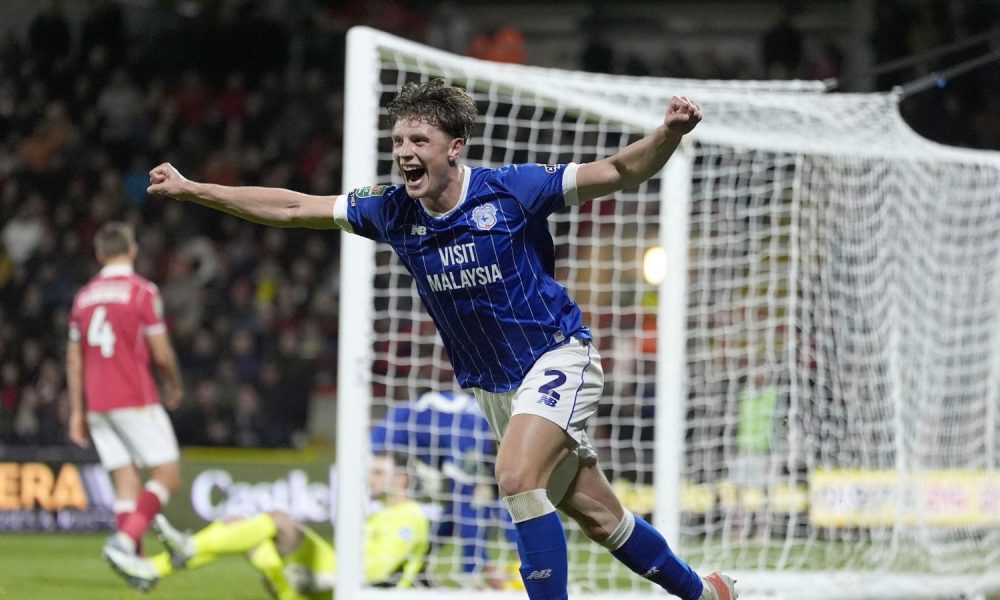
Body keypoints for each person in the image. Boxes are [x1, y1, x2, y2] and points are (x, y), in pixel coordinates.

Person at [147, 79, 737, 600]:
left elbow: (615, 171)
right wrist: (197, 189)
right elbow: (296, 206)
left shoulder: (510, 190)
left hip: (559, 356)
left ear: (454, 148)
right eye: (399, 141)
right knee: (600, 518)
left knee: (514, 478)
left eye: (418, 142)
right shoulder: (391, 211)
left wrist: (668, 134)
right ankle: (704, 593)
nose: (404, 153)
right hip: (497, 389)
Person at [66, 221, 185, 591]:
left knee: (125, 483)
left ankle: (137, 566)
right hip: (134, 398)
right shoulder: (142, 291)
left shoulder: (83, 297)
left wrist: (76, 410)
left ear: (99, 254)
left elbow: (74, 357)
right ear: (132, 250)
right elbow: (161, 353)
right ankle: (122, 542)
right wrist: (174, 384)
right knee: (167, 475)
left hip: (97, 405)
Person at [139, 453, 430, 598]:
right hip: (339, 575)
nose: (371, 479)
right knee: (241, 526)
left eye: (379, 473)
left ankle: (182, 552)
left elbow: (377, 570)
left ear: (402, 479)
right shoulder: (379, 514)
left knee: (276, 521)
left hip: (356, 590)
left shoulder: (410, 518)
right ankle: (156, 566)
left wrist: (328, 580)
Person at [372, 389, 519, 589]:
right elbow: (465, 506)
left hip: (429, 440)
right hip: (391, 441)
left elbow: (498, 504)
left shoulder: (484, 426)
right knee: (467, 504)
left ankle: (422, 564)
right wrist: (487, 567)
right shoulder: (471, 433)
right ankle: (472, 575)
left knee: (481, 501)